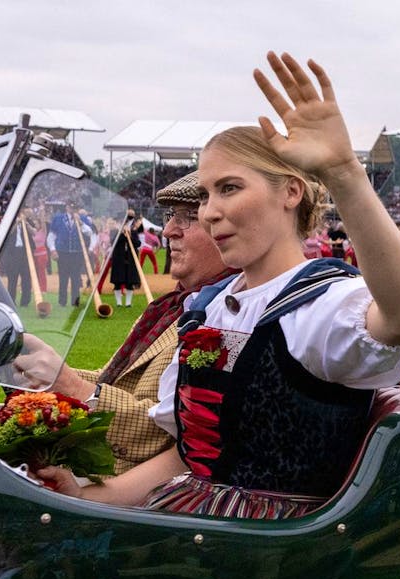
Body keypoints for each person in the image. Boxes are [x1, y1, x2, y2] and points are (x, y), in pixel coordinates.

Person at [38, 52, 400, 518]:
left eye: (229, 188)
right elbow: (187, 457)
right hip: (196, 513)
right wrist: (85, 496)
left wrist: (344, 172)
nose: (209, 211)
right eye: (207, 194)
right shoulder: (208, 309)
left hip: (273, 545)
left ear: (290, 192)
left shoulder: (323, 304)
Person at [14, 172, 236, 473]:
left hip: (141, 498)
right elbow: (112, 381)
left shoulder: (231, 315)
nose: (169, 230)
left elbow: (172, 431)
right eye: (171, 216)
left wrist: (71, 385)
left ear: (228, 228)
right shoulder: (170, 308)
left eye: (188, 217)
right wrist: (48, 371)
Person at [48, 203, 97, 307]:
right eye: (71, 208)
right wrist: (53, 250)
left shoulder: (83, 218)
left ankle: (75, 301)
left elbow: (89, 233)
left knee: (75, 278)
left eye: (75, 208)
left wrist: (80, 223)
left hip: (77, 252)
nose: (73, 210)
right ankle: (62, 302)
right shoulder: (58, 218)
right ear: (67, 208)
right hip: (62, 252)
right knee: (63, 278)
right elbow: (51, 236)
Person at [110, 209, 141, 307]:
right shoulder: (115, 230)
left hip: (130, 259)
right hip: (119, 259)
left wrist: (130, 235)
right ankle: (118, 303)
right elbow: (113, 242)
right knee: (117, 282)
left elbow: (137, 243)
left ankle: (128, 303)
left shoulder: (133, 230)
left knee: (130, 282)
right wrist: (123, 235)